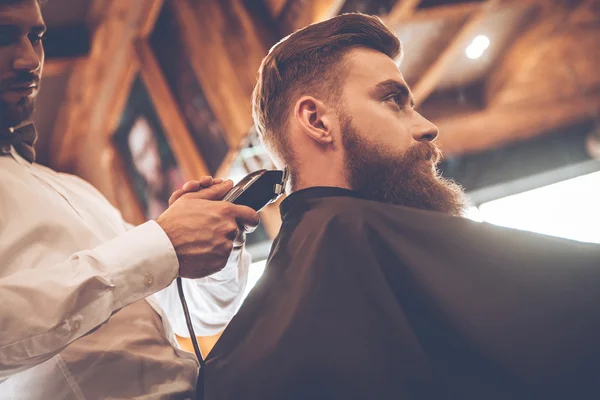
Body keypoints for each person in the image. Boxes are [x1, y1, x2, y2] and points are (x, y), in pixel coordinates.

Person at [202, 13, 600, 400]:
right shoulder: (361, 238)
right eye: (394, 101)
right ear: (317, 121)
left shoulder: (234, 355)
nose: (428, 126)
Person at [0, 0, 258, 398]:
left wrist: (212, 239)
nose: (28, 60)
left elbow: (203, 314)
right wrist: (160, 244)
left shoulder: (73, 188)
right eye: (3, 37)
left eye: (36, 37)